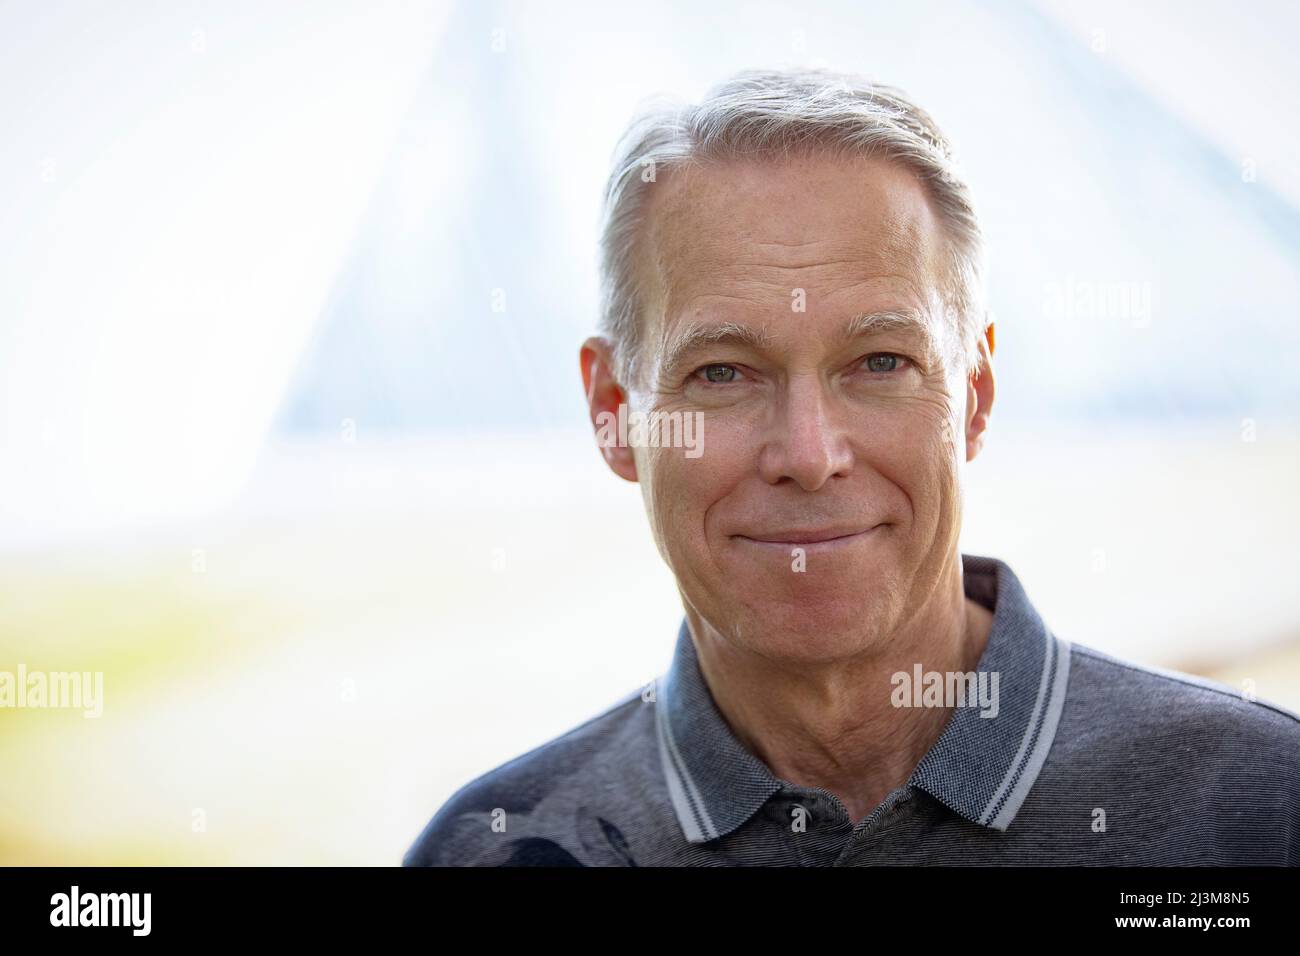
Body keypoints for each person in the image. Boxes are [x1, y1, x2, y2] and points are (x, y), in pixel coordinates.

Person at [404, 67, 1300, 866]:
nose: (808, 455)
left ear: (975, 397)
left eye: (880, 363)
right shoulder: (498, 846)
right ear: (614, 415)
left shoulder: (1255, 807)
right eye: (722, 372)